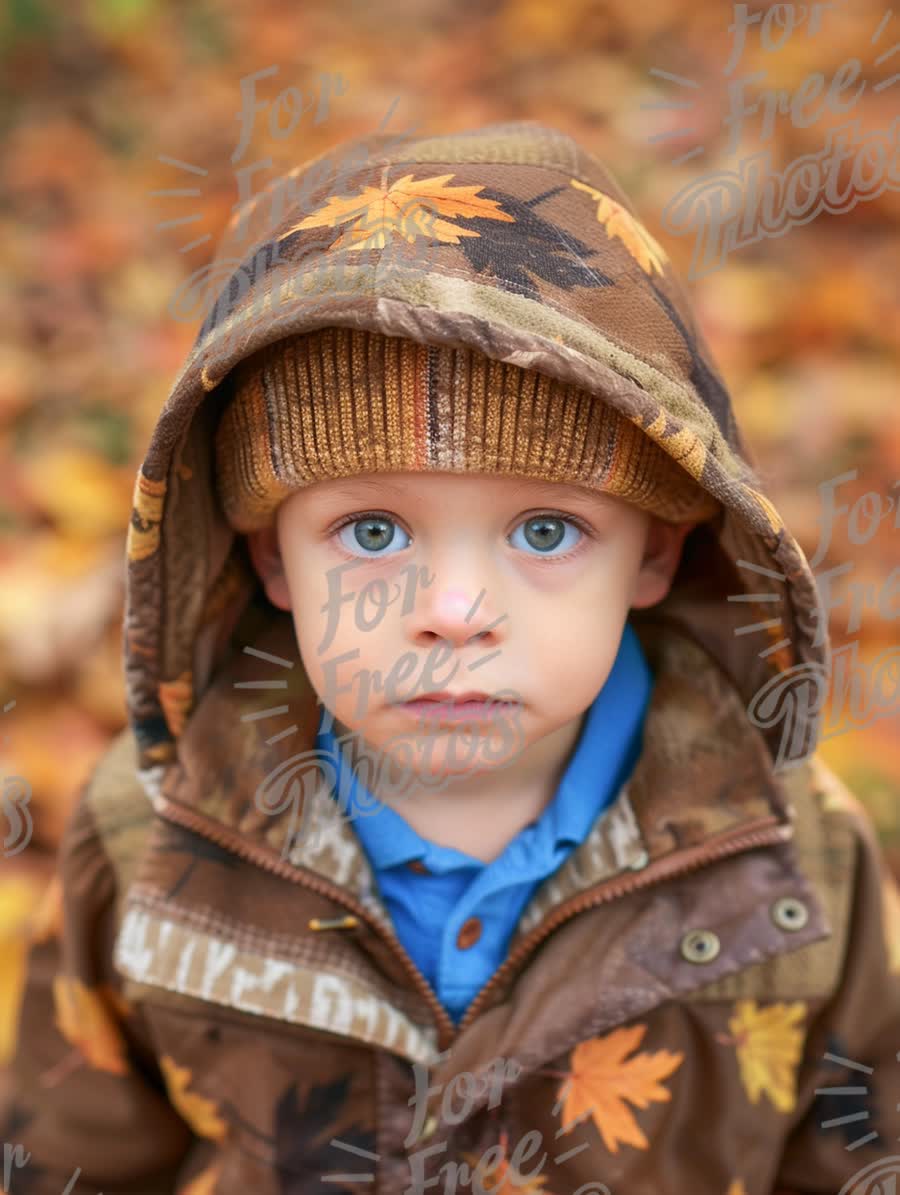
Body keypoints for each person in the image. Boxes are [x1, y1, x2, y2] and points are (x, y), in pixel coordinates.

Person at [3, 118, 899, 1195]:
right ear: (272, 559)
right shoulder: (147, 835)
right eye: (373, 531)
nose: (454, 609)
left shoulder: (795, 857)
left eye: (546, 531)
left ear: (656, 551)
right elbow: (67, 1157)